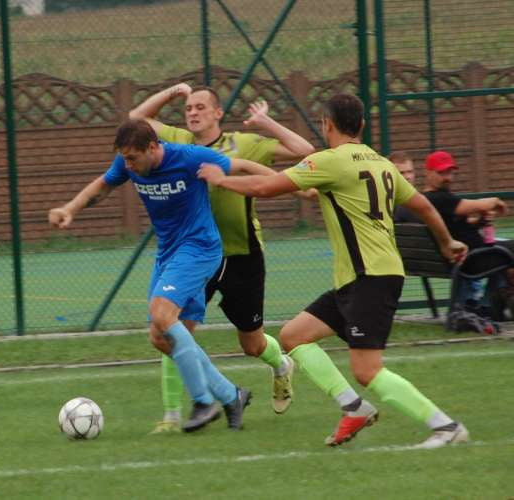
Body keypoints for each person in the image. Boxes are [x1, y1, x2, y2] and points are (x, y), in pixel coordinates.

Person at [198, 93, 471, 449]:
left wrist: (221, 181)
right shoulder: (381, 163)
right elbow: (423, 205)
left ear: (327, 124)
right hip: (363, 277)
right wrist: (447, 241)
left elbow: (266, 187)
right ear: (360, 125)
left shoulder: (331, 162)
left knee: (367, 370)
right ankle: (353, 408)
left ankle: (447, 427)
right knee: (294, 336)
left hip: (370, 277)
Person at [48, 119, 269, 432]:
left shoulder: (189, 157)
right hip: (169, 252)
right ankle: (231, 395)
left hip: (200, 248)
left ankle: (203, 403)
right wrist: (70, 208)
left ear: (153, 148)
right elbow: (104, 183)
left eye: (132, 158)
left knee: (161, 312)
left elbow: (245, 165)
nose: (128, 165)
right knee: (159, 337)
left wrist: (294, 183)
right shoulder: (129, 161)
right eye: (124, 159)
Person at [129, 83, 315, 432]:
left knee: (252, 342)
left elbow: (304, 150)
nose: (193, 112)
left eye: (201, 106)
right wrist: (173, 92)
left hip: (241, 254)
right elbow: (136, 120)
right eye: (188, 108)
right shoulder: (175, 141)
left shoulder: (240, 144)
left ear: (218, 113)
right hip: (195, 254)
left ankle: (279, 367)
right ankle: (172, 415)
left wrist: (266, 122)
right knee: (171, 325)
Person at [423, 150, 513, 311]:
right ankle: (492, 304)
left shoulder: (433, 199)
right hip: (470, 260)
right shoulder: (437, 198)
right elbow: (476, 205)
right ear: (428, 173)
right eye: (441, 173)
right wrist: (495, 201)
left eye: (450, 172)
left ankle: (491, 304)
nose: (447, 178)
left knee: (505, 252)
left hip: (469, 256)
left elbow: (457, 225)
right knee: (508, 253)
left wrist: (479, 222)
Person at [389, 151, 421, 223]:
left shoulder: (420, 201)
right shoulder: (388, 204)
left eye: (410, 172)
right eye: (401, 173)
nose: (407, 177)